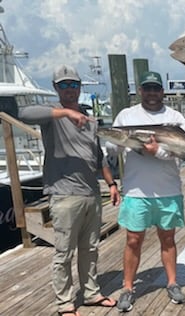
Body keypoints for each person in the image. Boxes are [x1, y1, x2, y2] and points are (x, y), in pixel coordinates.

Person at [19, 65, 120, 316]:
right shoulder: (52, 118)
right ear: (56, 88)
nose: (70, 89)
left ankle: (91, 293)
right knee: (63, 252)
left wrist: (111, 184)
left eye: (73, 84)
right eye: (63, 85)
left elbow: (99, 159)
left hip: (91, 194)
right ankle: (65, 303)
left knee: (91, 249)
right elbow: (24, 113)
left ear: (80, 87)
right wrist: (64, 113)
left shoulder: (90, 120)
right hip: (64, 194)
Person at [107, 71, 185, 312]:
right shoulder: (126, 116)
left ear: (162, 91)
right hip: (135, 191)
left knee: (168, 238)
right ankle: (127, 287)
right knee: (133, 240)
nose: (152, 93)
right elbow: (113, 147)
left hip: (168, 190)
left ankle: (172, 282)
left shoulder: (175, 117)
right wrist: (112, 142)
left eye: (156, 88)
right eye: (147, 88)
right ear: (140, 90)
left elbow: (182, 152)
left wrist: (158, 152)